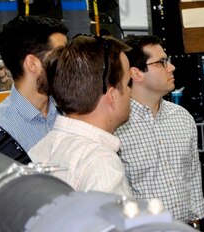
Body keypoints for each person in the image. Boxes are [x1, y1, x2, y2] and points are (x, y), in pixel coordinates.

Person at [115, 35, 204, 224]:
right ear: (136, 73)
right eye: (161, 62)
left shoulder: (182, 118)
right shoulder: (116, 125)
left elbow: (192, 177)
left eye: (168, 60)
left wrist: (197, 220)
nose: (171, 67)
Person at [29, 35, 133, 197]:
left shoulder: (42, 148)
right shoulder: (101, 162)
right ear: (112, 96)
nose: (129, 93)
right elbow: (110, 223)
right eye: (127, 84)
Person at [0, 16, 68, 162]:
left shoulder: (72, 113)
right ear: (32, 64)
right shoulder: (2, 130)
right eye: (60, 55)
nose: (68, 64)